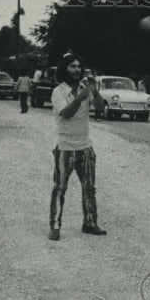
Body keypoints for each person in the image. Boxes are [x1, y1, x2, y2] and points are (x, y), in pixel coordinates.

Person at [48, 53, 106, 240]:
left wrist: (94, 91)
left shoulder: (84, 88)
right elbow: (65, 113)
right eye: (72, 66)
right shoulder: (58, 91)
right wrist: (80, 98)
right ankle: (55, 226)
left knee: (89, 188)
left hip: (85, 147)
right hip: (65, 148)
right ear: (64, 69)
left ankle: (90, 222)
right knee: (60, 188)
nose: (77, 70)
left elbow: (99, 109)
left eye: (78, 66)